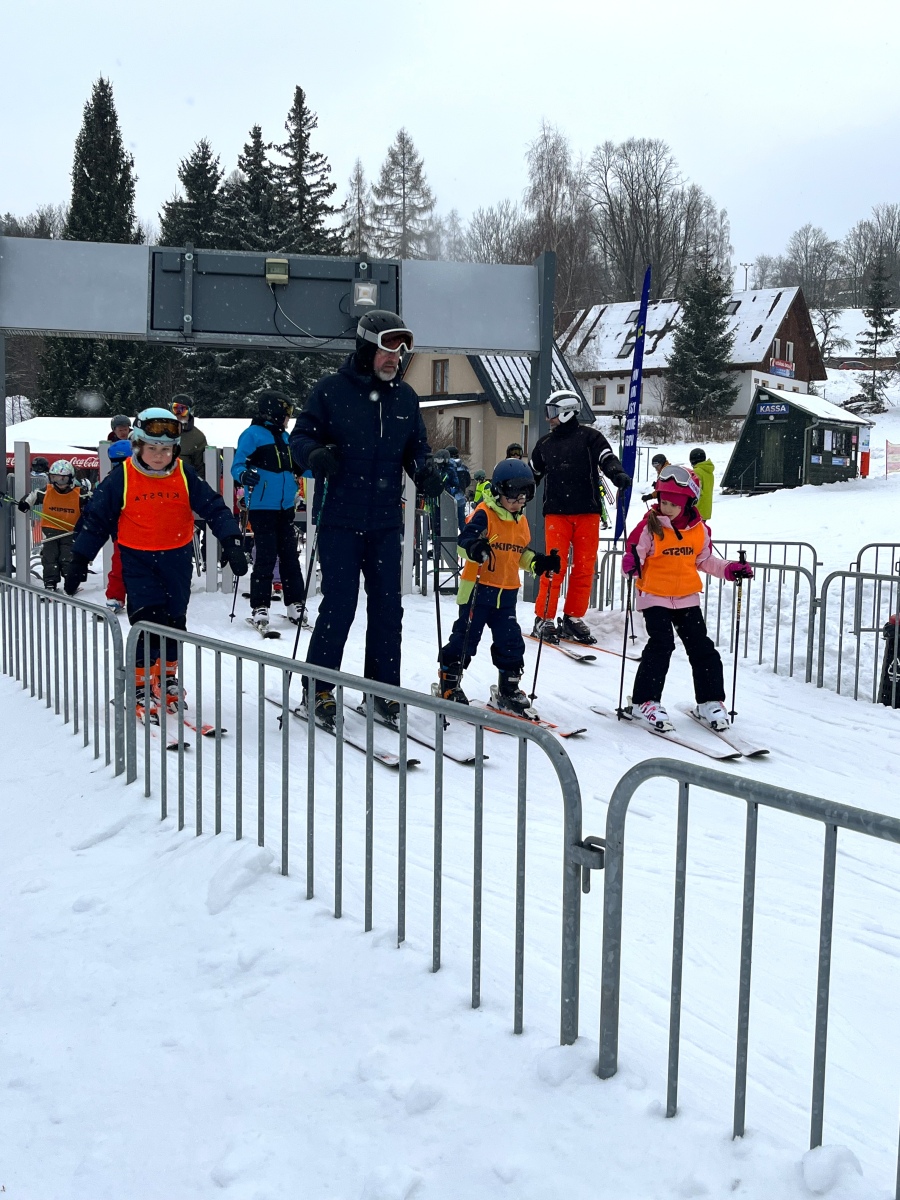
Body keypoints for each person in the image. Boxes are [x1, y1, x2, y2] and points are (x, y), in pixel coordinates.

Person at [290, 309, 443, 726]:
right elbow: (299, 438)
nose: (395, 358)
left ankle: (382, 691)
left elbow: (416, 448)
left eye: (401, 351)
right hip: (340, 519)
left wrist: (424, 470)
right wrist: (314, 453)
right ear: (365, 348)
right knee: (340, 605)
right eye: (387, 349)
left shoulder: (405, 397)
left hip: (384, 523)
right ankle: (318, 689)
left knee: (389, 609)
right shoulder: (331, 391)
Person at [63, 408, 247, 722]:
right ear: (137, 446)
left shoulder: (185, 474)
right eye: (152, 448)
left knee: (175, 620)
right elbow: (96, 520)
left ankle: (166, 676)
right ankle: (138, 684)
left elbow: (214, 506)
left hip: (176, 557)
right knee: (148, 621)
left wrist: (230, 539)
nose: (159, 456)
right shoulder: (122, 476)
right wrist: (80, 559)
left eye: (166, 449)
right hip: (138, 559)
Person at [621, 464, 753, 732]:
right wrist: (631, 564)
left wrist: (729, 569)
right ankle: (644, 701)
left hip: (686, 597)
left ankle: (709, 701)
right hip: (655, 596)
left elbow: (704, 561)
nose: (667, 508)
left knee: (702, 647)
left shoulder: (699, 530)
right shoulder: (649, 526)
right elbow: (634, 554)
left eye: (674, 504)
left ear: (688, 503)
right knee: (662, 645)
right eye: (663, 502)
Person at [436, 459, 560, 715]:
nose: (518, 503)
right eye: (513, 497)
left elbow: (520, 555)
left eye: (523, 498)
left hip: (507, 594)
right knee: (466, 638)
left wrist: (538, 563)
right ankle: (450, 681)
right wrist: (475, 547)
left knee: (510, 640)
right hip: (478, 590)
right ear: (497, 492)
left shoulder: (520, 522)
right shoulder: (485, 513)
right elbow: (463, 542)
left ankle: (509, 687)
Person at [529, 390, 631, 646]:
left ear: (567, 412)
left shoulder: (590, 437)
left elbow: (606, 458)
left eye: (552, 413)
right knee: (554, 566)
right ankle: (544, 617)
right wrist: (517, 493)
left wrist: (616, 473)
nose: (548, 418)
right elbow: (532, 474)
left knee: (585, 568)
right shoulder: (545, 444)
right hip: (557, 513)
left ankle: (573, 616)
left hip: (587, 512)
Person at [231, 391, 306, 633]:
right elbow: (237, 464)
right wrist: (244, 475)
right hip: (262, 506)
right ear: (273, 413)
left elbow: (297, 465)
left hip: (285, 506)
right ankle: (260, 606)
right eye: (287, 414)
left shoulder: (285, 437)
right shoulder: (253, 434)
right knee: (266, 555)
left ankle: (295, 602)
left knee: (290, 555)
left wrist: (320, 465)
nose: (288, 419)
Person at [17, 459, 87, 591]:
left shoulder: (79, 494)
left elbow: (93, 504)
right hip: (50, 531)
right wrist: (25, 503)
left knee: (67, 558)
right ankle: (50, 582)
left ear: (71, 478)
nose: (59, 483)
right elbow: (33, 495)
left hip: (69, 532)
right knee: (49, 558)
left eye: (63, 479)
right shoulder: (47, 491)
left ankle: (70, 582)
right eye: (55, 478)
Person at [104, 440, 133, 613]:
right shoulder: (113, 480)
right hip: (122, 532)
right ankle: (116, 597)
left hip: (138, 529)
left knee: (122, 565)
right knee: (119, 565)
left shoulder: (140, 478)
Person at [171, 395, 208, 476]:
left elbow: (200, 470)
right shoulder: (160, 430)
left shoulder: (197, 437)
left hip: (183, 481)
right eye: (175, 409)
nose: (178, 414)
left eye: (183, 410)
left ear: (190, 412)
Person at [689, 448, 715, 520]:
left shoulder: (696, 472)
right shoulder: (709, 471)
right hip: (706, 509)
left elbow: (696, 492)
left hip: (697, 510)